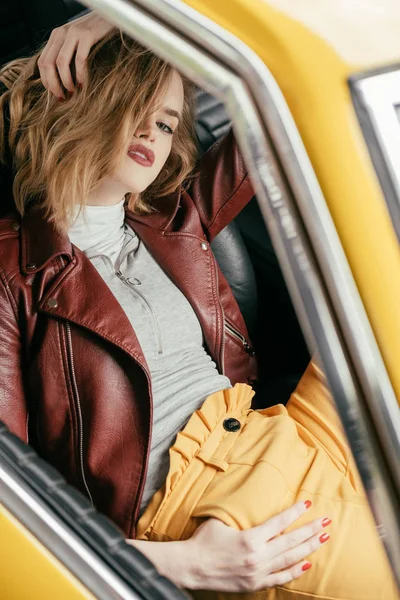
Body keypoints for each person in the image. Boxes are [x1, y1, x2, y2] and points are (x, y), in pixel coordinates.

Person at [0, 13, 397, 600]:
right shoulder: (12, 271)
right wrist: (179, 566)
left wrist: (115, 13)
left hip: (286, 428)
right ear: (77, 99)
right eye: (132, 104)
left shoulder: (174, 219)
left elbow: (289, 76)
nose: (152, 133)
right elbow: (12, 507)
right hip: (207, 503)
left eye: (166, 122)